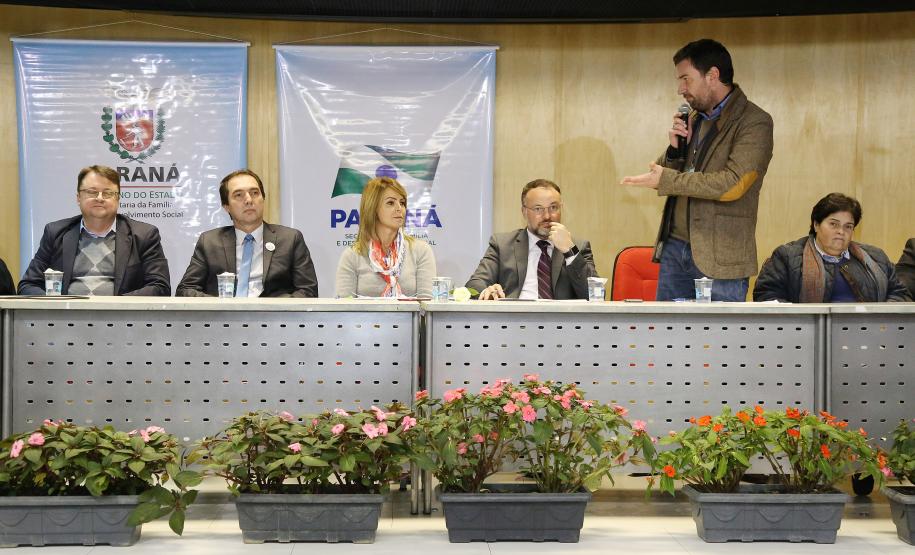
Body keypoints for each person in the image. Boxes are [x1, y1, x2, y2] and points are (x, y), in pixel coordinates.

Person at [621, 38, 774, 302]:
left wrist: (667, 178)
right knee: (668, 340)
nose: (680, 89)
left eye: (686, 79)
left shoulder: (754, 122)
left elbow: (732, 185)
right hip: (674, 249)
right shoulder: (694, 117)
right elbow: (666, 173)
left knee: (718, 341)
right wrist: (674, 151)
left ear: (712, 75)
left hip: (721, 258)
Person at [18, 165, 170, 296]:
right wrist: (56, 304)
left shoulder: (144, 234)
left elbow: (160, 287)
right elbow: (28, 285)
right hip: (65, 320)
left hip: (122, 322)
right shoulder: (55, 232)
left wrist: (116, 306)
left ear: (118, 199)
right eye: (92, 192)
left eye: (108, 193)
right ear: (78, 197)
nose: (99, 198)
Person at [176, 169, 318, 297]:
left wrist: (271, 309)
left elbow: (308, 291)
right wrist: (221, 307)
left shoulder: (290, 239)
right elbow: (185, 290)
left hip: (273, 322)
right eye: (238, 195)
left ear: (263, 199)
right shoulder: (210, 242)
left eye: (255, 193)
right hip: (224, 322)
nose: (249, 200)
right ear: (226, 206)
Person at [753, 193, 910, 303]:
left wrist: (883, 322)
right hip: (805, 340)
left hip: (869, 336)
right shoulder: (787, 256)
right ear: (816, 224)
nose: (841, 231)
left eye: (848, 226)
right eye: (833, 224)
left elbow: (899, 294)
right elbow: (767, 297)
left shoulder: (876, 257)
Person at [466, 178, 598, 300]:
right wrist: (487, 291)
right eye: (538, 209)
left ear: (561, 208)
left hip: (560, 323)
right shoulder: (502, 244)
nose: (547, 216)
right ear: (524, 212)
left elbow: (595, 295)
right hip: (514, 321)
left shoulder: (578, 247)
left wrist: (570, 251)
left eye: (553, 207)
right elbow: (473, 286)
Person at [335, 177, 436, 298]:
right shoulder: (352, 255)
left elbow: (427, 306)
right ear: (373, 208)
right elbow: (344, 307)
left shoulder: (420, 251)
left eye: (402, 203)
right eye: (390, 203)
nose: (400, 208)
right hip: (363, 318)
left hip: (411, 318)